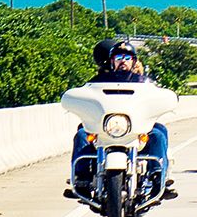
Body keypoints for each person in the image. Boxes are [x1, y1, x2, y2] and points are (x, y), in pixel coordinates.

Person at [73, 39, 173, 194]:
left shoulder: (144, 82)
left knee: (159, 134)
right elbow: (84, 95)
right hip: (105, 127)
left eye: (127, 58)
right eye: (118, 58)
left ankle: (159, 177)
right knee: (81, 134)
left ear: (134, 62)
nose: (123, 62)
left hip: (135, 127)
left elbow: (156, 96)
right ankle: (81, 178)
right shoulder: (98, 81)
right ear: (112, 61)